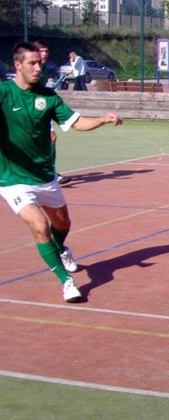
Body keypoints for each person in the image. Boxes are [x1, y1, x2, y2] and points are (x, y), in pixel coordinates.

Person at [0, 42, 123, 303]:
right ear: (18, 65)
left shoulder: (49, 97)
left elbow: (76, 123)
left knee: (63, 224)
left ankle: (61, 249)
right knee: (40, 226)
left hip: (45, 177)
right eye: (32, 63)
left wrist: (102, 119)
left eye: (40, 62)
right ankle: (66, 281)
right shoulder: (4, 93)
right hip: (13, 180)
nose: (38, 67)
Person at [33, 40, 71, 185]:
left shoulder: (44, 68)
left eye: (46, 51)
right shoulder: (30, 67)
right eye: (41, 51)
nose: (44, 54)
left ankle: (51, 171)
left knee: (52, 138)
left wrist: (50, 83)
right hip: (29, 108)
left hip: (42, 107)